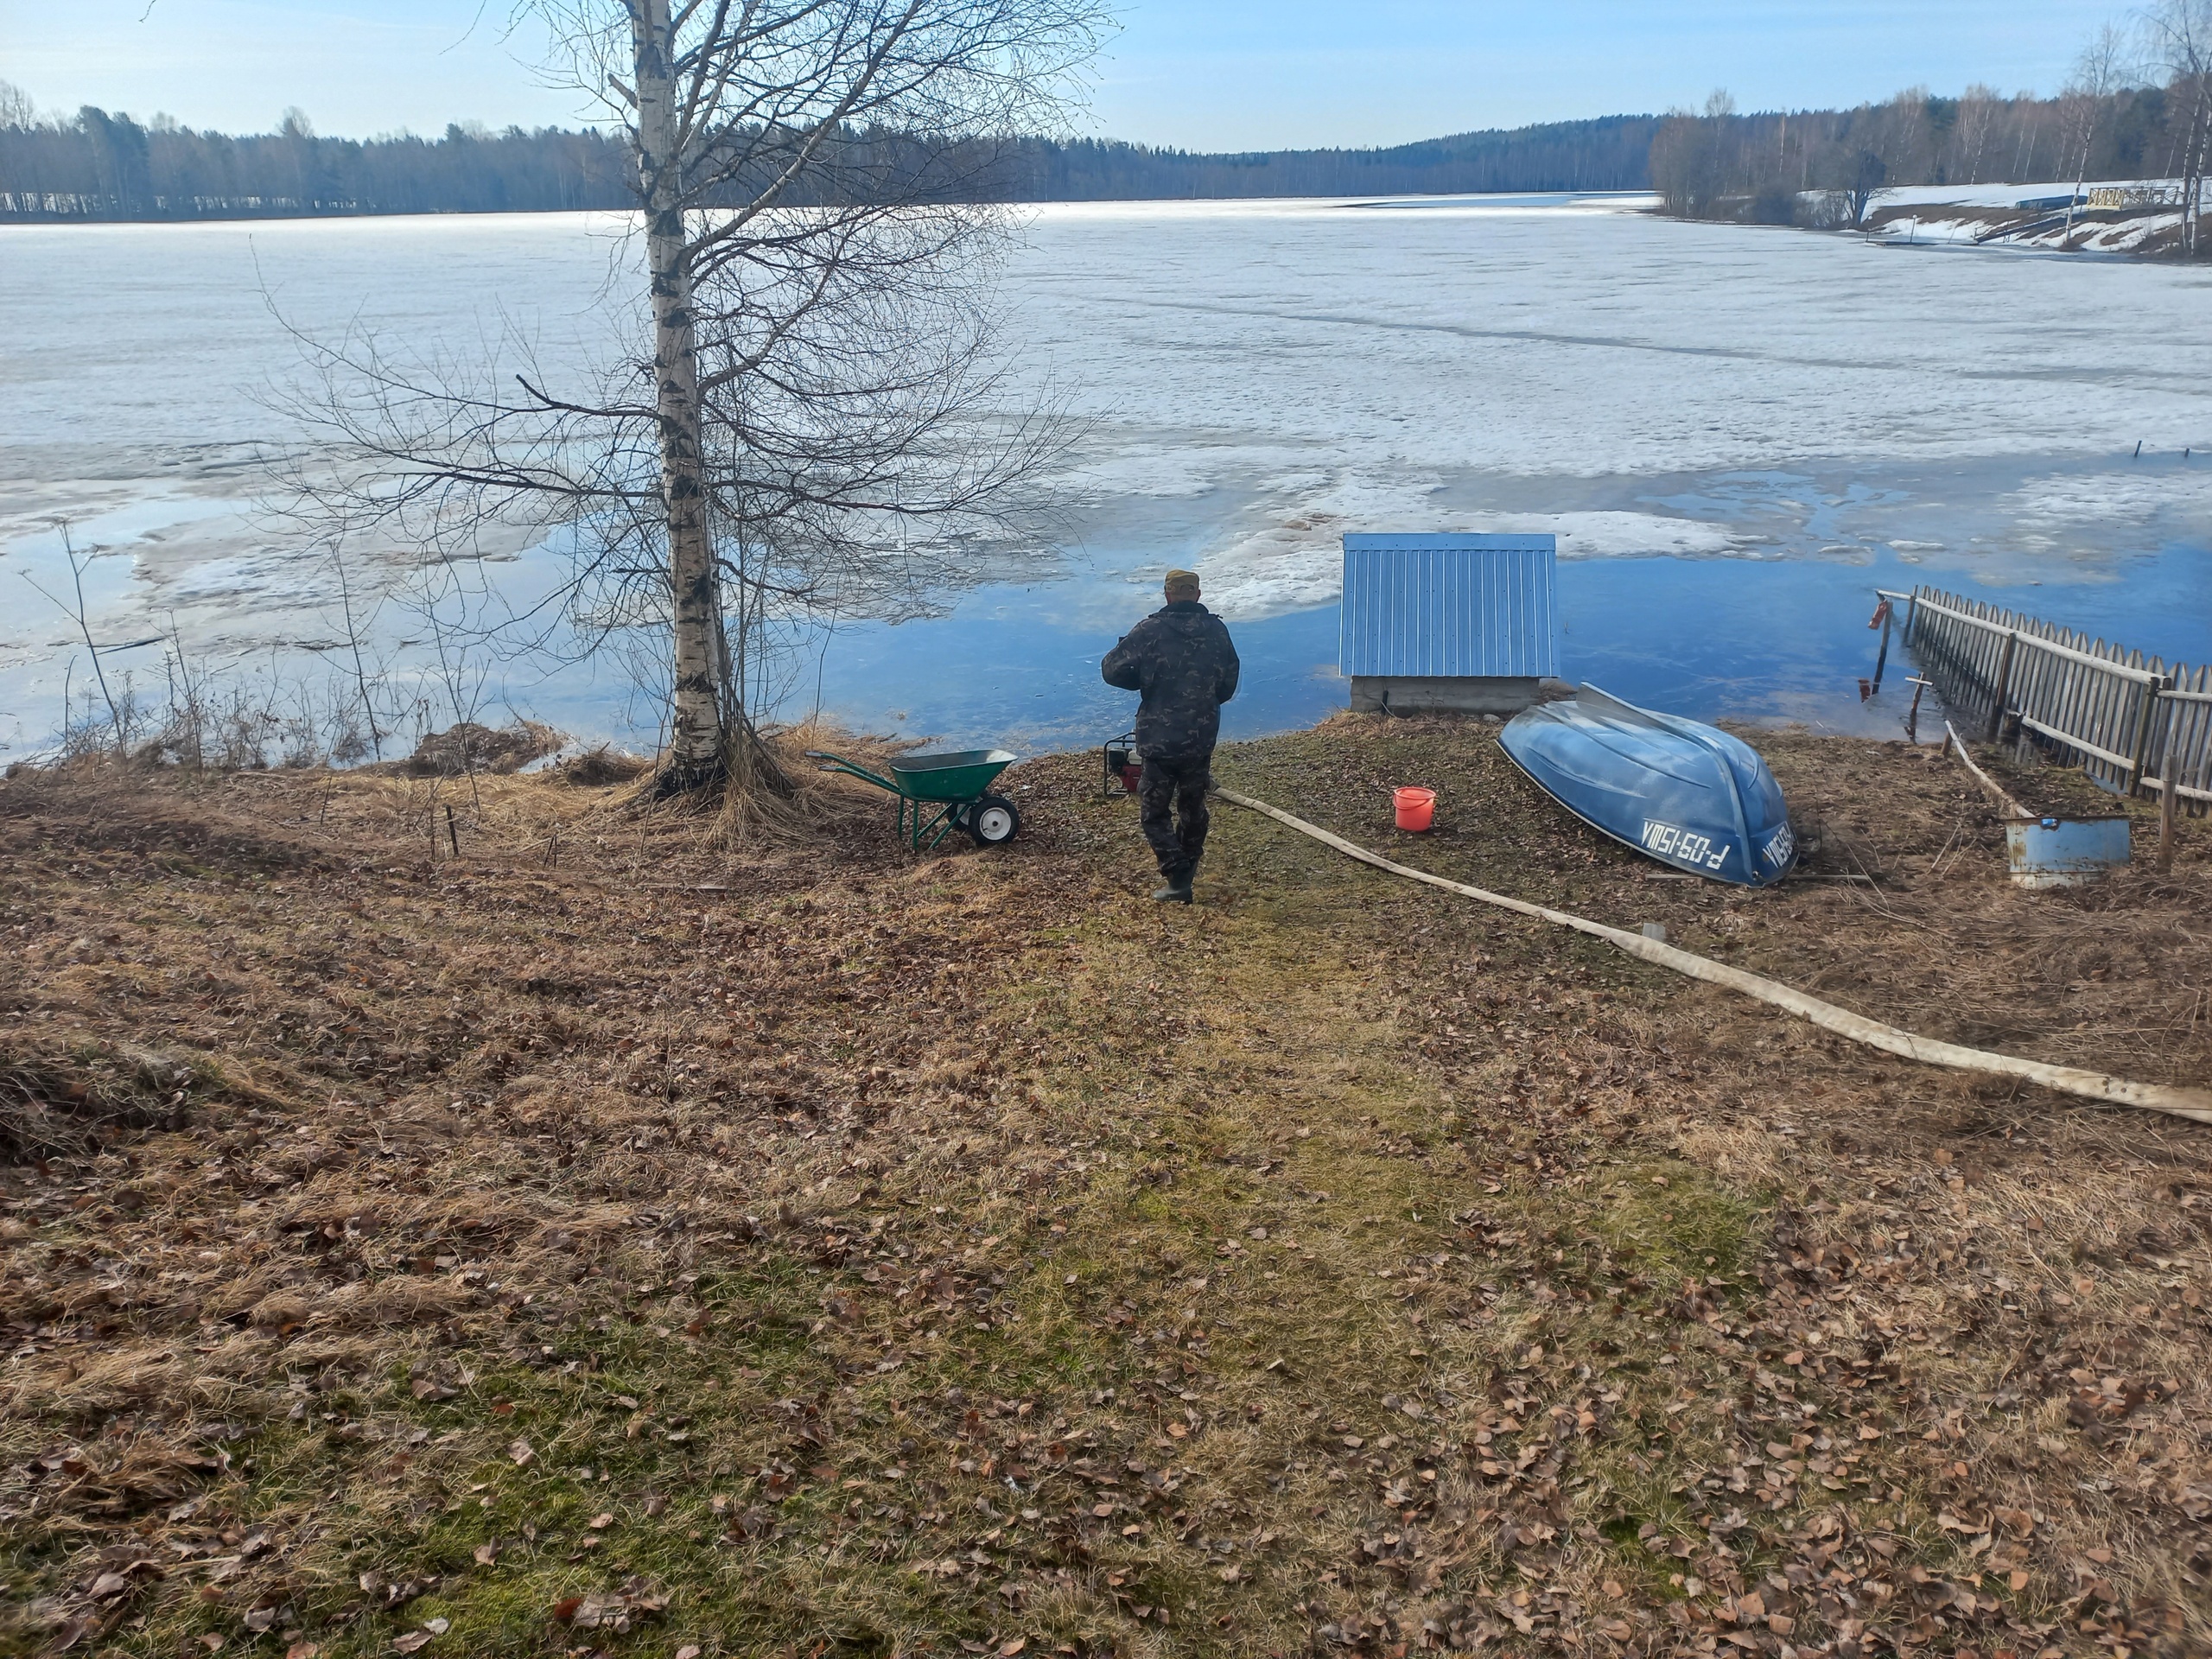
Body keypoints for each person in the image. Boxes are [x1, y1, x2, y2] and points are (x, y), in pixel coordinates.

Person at [1101, 569, 1241, 904]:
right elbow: (1229, 683)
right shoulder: (1218, 631)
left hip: (1160, 736)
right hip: (1201, 733)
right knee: (1194, 806)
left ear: (1167, 594)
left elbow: (1110, 670)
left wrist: (1142, 680)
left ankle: (1177, 874)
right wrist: (1202, 704)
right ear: (1197, 594)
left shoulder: (1149, 630)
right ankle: (1186, 870)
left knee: (1154, 810)